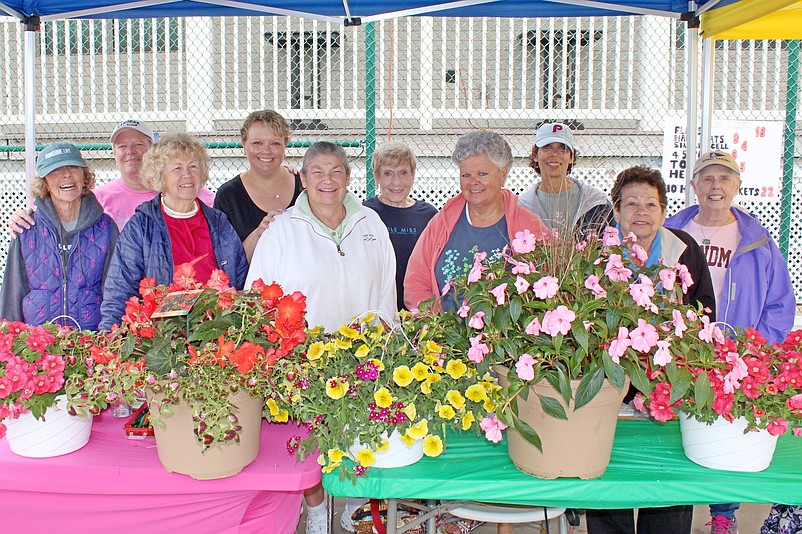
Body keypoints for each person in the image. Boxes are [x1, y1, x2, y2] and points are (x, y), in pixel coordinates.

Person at [245, 141, 397, 534]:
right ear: (303, 178)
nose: (327, 181)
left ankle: (359, 508)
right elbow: (259, 299)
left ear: (348, 178)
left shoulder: (372, 225)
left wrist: (383, 346)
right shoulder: (281, 231)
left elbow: (385, 295)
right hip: (302, 362)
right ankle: (315, 510)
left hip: (362, 360)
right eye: (317, 172)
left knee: (361, 435)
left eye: (336, 172)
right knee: (306, 442)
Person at [665, 151, 796, 534]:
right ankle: (674, 498)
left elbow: (779, 301)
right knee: (682, 424)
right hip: (685, 348)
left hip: (738, 351)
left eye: (724, 178)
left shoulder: (757, 241)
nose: (715, 187)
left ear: (737, 186)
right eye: (707, 178)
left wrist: (761, 346)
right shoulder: (671, 231)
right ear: (693, 186)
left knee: (727, 428)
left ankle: (724, 513)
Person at [586, 165, 716, 534]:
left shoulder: (683, 248)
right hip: (614, 379)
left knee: (668, 481)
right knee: (610, 477)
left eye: (651, 204)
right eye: (631, 203)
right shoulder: (597, 253)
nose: (641, 212)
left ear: (663, 210)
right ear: (616, 209)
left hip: (667, 380)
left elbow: (704, 311)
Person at [98, 133, 246, 330]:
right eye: (177, 168)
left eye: (193, 166)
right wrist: (111, 337)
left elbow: (241, 281)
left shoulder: (219, 223)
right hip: (162, 337)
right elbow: (119, 290)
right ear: (160, 176)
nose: (187, 175)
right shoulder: (142, 226)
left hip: (214, 334)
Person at [404, 129, 548, 312]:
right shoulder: (442, 222)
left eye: (482, 174)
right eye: (466, 175)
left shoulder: (529, 226)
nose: (473, 182)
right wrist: (437, 325)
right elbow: (415, 281)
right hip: (443, 336)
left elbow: (547, 285)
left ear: (502, 174)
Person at [8, 119, 215, 233]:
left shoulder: (189, 194)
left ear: (153, 150)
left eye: (138, 145)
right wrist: (22, 218)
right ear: (114, 154)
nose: (130, 152)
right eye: (122, 146)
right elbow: (58, 213)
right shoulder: (96, 199)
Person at [0, 143, 118, 330]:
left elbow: (114, 289)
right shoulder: (26, 228)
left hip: (90, 342)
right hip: (38, 346)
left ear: (85, 177)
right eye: (55, 171)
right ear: (44, 182)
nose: (66, 175)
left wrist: (108, 337)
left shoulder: (105, 227)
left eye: (73, 168)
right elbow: (13, 291)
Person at [214, 110, 304, 261]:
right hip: (251, 283)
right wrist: (260, 233)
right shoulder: (229, 195)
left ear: (285, 145)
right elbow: (228, 263)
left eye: (275, 143)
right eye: (257, 143)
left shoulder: (305, 186)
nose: (266, 151)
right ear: (244, 145)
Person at [363, 141, 437, 311]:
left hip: (419, 309)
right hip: (376, 309)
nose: (396, 182)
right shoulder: (366, 214)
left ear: (413, 175)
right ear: (377, 177)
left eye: (403, 173)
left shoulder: (428, 215)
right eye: (388, 173)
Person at [519, 122, 612, 236]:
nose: (554, 154)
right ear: (536, 155)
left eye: (562, 148)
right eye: (547, 147)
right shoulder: (522, 206)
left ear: (571, 157)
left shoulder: (596, 203)